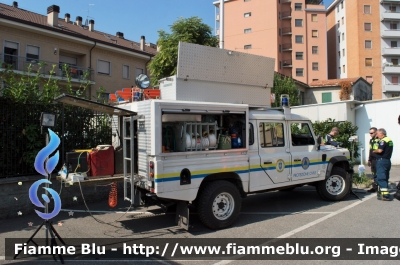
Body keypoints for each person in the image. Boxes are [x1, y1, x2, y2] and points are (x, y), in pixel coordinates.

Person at [373, 128, 393, 201]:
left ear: (382, 134)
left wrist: (374, 151)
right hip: (387, 161)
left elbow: (380, 150)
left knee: (381, 178)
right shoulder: (389, 140)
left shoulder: (383, 141)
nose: (377, 135)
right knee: (386, 177)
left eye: (377, 133)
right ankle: (384, 192)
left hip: (382, 161)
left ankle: (385, 195)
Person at [367, 127, 379, 192]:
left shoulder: (380, 140)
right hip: (373, 160)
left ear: (376, 132)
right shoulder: (371, 140)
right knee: (373, 173)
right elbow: (370, 150)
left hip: (378, 159)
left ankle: (379, 187)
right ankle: (375, 187)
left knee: (378, 173)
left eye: (372, 133)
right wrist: (369, 160)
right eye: (370, 133)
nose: (370, 134)